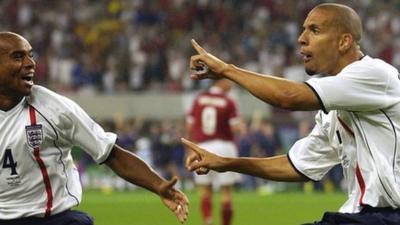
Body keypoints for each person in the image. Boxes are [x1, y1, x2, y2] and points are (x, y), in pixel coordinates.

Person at [184, 3, 400, 225]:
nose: (301, 38)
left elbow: (288, 96)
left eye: (314, 30)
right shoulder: (333, 110)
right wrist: (227, 162)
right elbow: (295, 166)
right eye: (303, 29)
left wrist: (226, 71)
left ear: (344, 42)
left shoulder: (374, 75)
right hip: (365, 216)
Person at [0, 32, 188, 225]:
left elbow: (111, 154)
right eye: (18, 56)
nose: (31, 63)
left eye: (31, 55)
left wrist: (159, 185)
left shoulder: (55, 109)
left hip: (53, 220)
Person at [185, 78, 241, 225]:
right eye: (228, 81)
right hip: (224, 146)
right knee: (226, 191)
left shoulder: (199, 99)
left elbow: (190, 126)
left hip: (202, 146)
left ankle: (208, 222)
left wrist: (190, 148)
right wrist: (242, 127)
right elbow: (236, 128)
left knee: (204, 190)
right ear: (220, 81)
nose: (231, 84)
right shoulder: (228, 101)